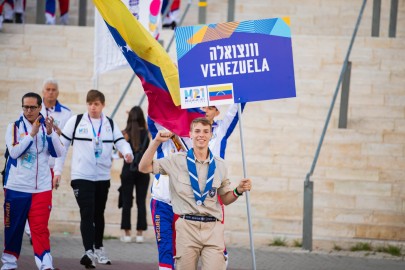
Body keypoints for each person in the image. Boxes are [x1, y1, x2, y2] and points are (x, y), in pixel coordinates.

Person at [139, 117, 252, 270]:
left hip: (212, 228)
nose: (201, 135)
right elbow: (144, 167)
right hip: (186, 228)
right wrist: (156, 141)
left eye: (206, 131)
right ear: (190, 134)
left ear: (211, 135)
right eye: (197, 131)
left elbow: (225, 199)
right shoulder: (176, 160)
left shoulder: (220, 165)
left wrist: (238, 191)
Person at [53, 89, 133, 269]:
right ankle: (88, 251)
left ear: (102, 105)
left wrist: (128, 153)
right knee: (87, 212)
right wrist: (57, 171)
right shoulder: (76, 121)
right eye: (89, 104)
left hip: (102, 177)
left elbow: (121, 142)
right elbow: (61, 147)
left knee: (99, 214)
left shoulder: (109, 123)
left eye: (96, 104)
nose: (92, 107)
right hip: (81, 176)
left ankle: (99, 248)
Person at [2, 92, 65, 270]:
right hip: (17, 187)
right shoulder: (14, 126)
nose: (28, 111)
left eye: (32, 107)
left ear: (40, 108)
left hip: (42, 188)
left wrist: (51, 133)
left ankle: (45, 264)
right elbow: (14, 152)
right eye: (25, 107)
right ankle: (9, 264)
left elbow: (59, 153)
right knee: (13, 228)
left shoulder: (47, 126)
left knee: (40, 229)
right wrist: (31, 135)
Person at [24, 78, 72, 243]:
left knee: (45, 200)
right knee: (29, 195)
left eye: (53, 89)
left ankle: (37, 229)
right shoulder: (33, 110)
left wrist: (58, 171)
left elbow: (64, 144)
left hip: (50, 163)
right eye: (48, 89)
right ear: (43, 92)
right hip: (32, 162)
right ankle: (30, 228)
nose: (51, 92)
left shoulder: (66, 113)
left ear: (57, 93)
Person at [118, 106, 150, 243]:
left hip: (127, 171)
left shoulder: (125, 133)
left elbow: (120, 154)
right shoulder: (147, 133)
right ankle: (139, 234)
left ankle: (126, 233)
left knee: (127, 201)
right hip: (143, 171)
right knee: (141, 202)